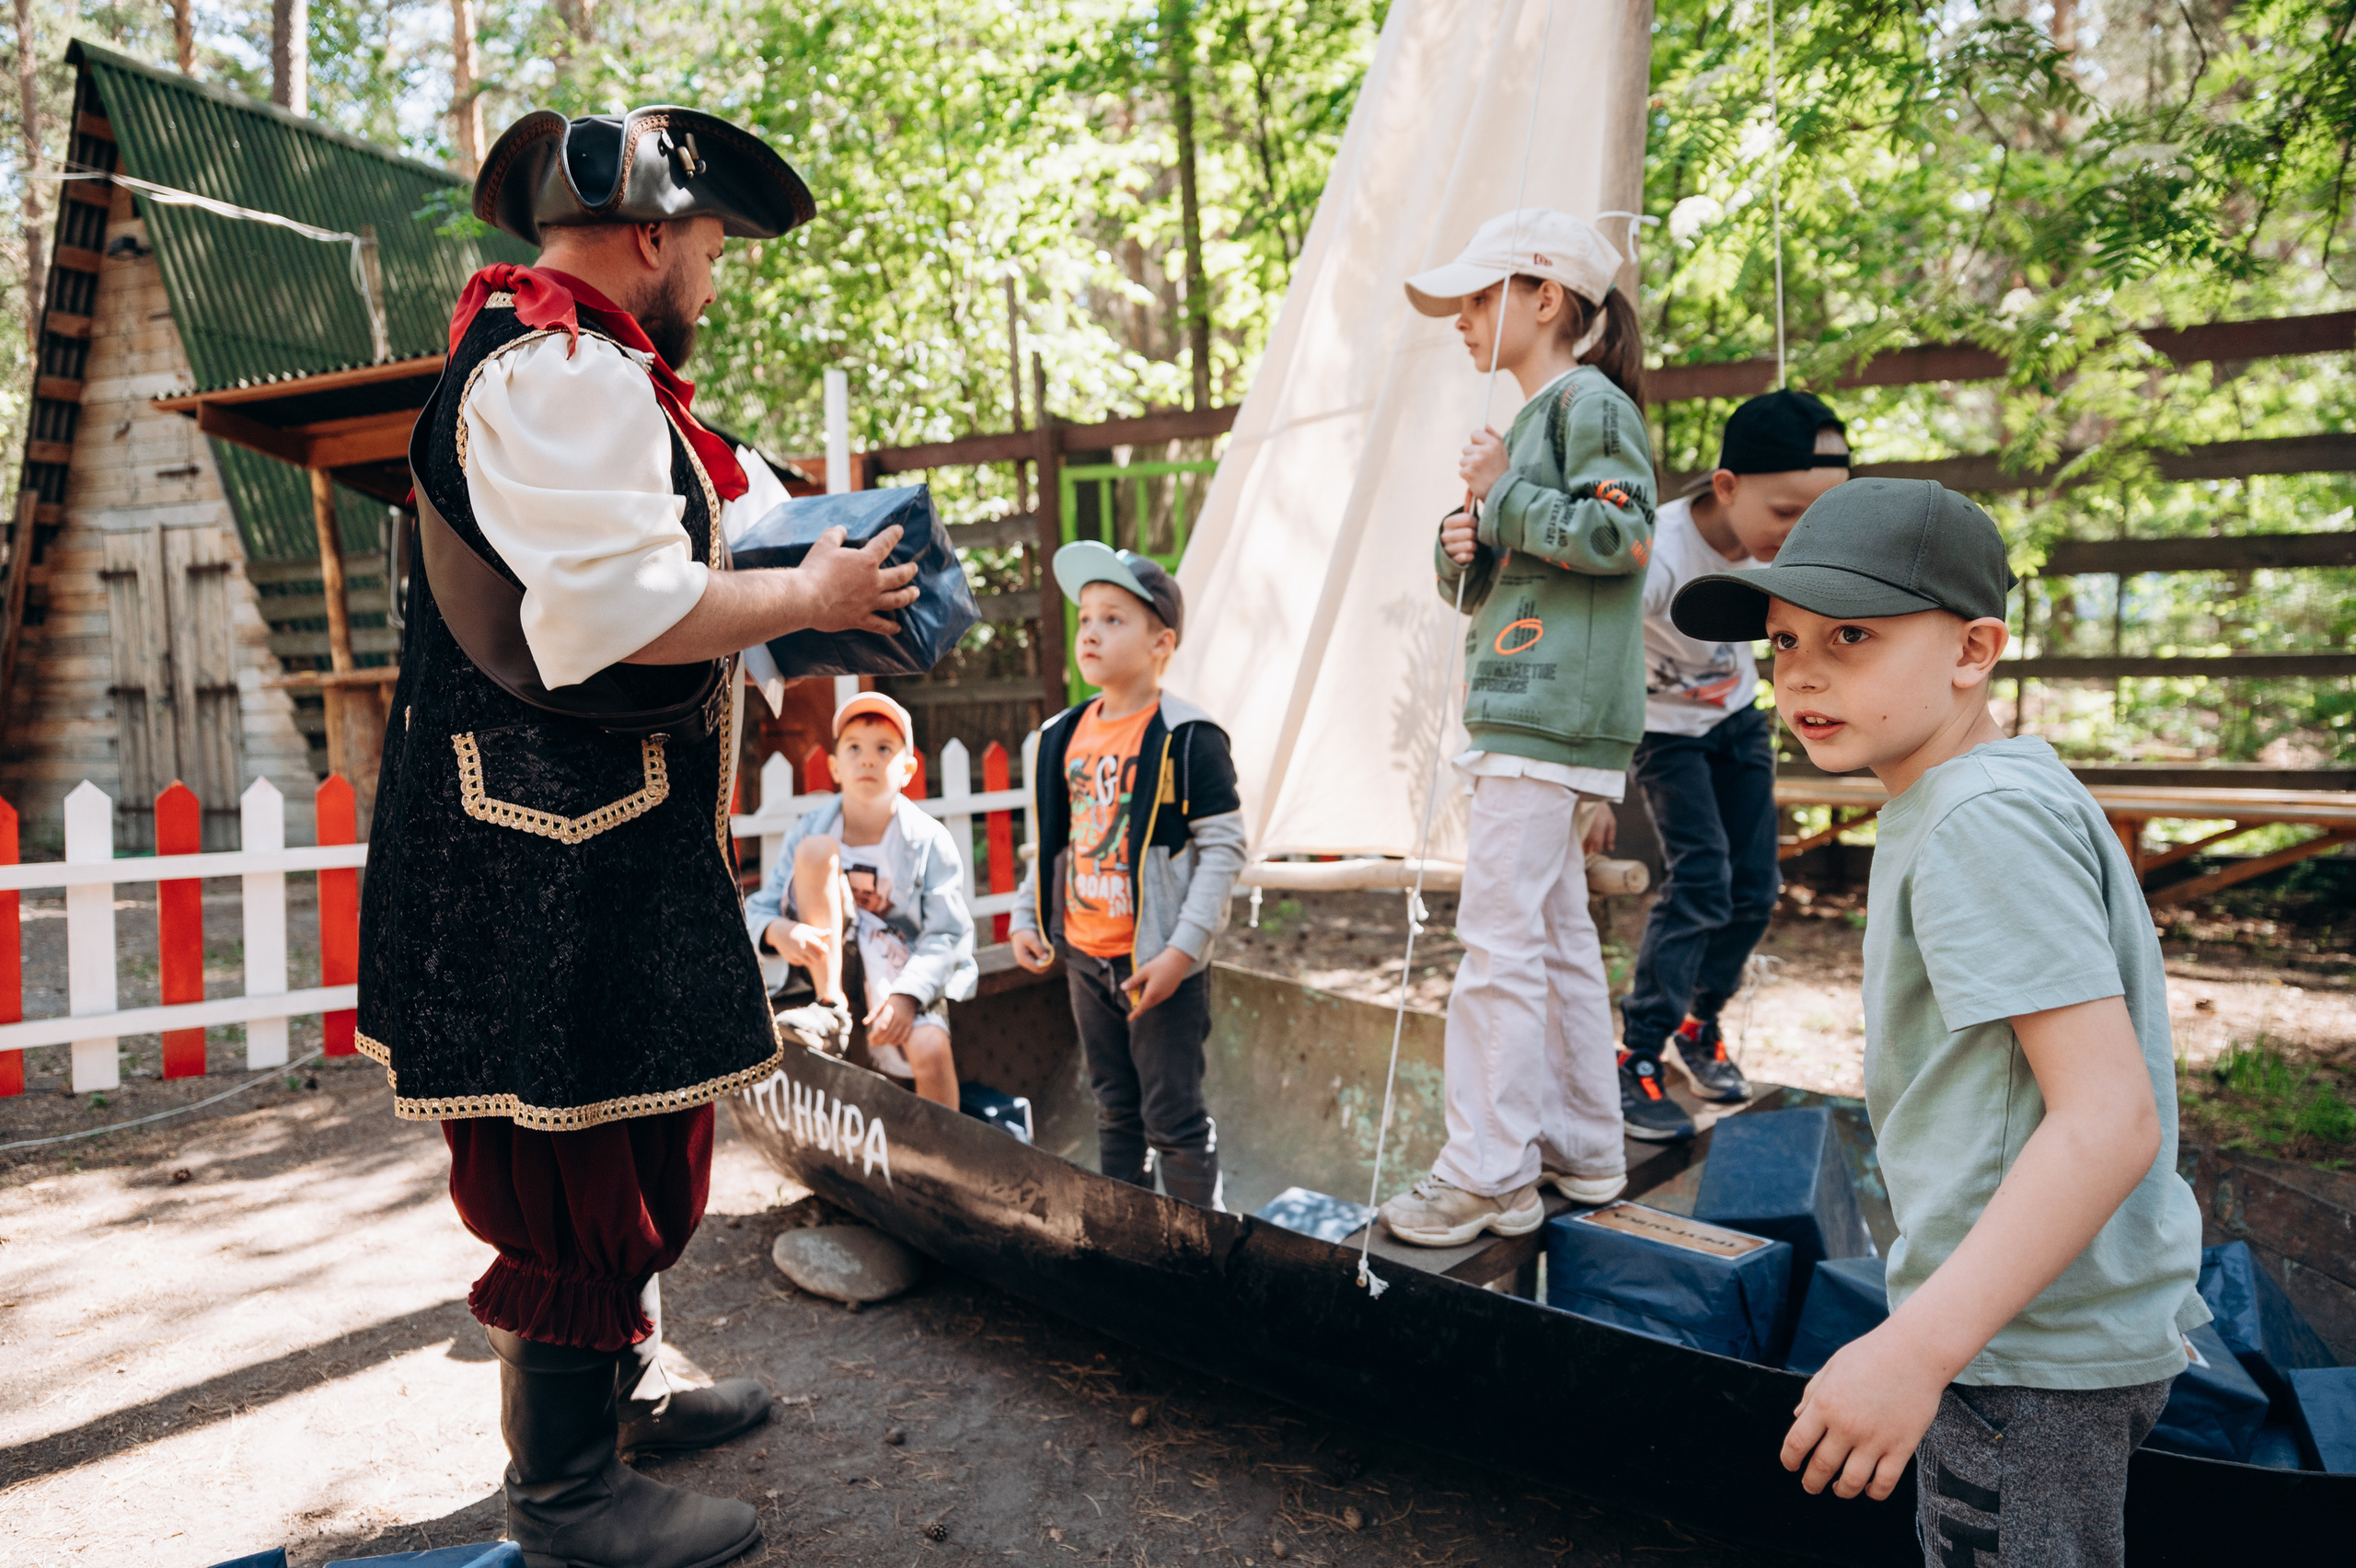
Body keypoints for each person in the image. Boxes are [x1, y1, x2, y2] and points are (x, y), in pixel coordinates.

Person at [358, 107, 921, 1568]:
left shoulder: (580, 365)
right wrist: (810, 601)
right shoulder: (560, 369)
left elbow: (662, 571)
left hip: (587, 825)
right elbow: (624, 612)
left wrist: (807, 575)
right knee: (580, 1146)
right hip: (535, 837)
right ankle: (563, 1499)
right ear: (654, 237)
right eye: (715, 245)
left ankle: (616, 1396)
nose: (718, 276)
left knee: (637, 1109)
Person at [1671, 479, 2205, 1566]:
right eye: (1782, 643)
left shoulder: (1978, 820)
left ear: (1973, 651)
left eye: (1851, 635)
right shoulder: (1987, 792)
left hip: (2021, 1354)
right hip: (2027, 1329)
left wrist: (1914, 1349)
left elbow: (2108, 1119)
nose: (1803, 671)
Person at [1377, 208, 1656, 1248]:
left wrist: (1500, 500)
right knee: (1553, 935)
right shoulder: (1535, 419)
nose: (1460, 318)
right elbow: (1487, 578)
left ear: (1546, 299)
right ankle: (1585, 1146)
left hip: (1547, 715)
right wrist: (1466, 538)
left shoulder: (1588, 404)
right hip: (1525, 704)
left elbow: (1622, 535)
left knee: (1495, 943)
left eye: (1478, 296)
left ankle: (1487, 1173)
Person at [1610, 390, 1853, 1141]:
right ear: (1725, 487)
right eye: (1785, 514)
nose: (1800, 534)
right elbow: (1606, 647)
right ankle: (1635, 1053)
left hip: (1737, 720)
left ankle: (1697, 1022)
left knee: (1756, 889)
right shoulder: (1659, 551)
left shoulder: (1785, 552)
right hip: (1665, 733)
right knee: (1702, 883)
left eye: (1818, 517)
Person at [1008, 543, 1246, 1209]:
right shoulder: (1059, 736)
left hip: (1161, 966)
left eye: (1114, 618)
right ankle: (1130, 1239)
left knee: (1173, 1120)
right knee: (1115, 1110)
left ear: (1160, 642)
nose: (1090, 631)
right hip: (1087, 957)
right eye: (1086, 617)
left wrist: (1181, 953)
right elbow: (1050, 843)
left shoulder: (1189, 737)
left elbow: (1224, 849)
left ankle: (1205, 1255)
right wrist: (1029, 916)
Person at [745, 691, 978, 1106]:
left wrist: (908, 996)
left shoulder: (928, 840)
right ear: (835, 767)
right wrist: (779, 930)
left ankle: (941, 1161)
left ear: (907, 769)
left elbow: (947, 933)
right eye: (854, 748)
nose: (867, 759)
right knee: (817, 852)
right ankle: (830, 1009)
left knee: (929, 1048)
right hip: (830, 965)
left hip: (900, 968)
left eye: (884, 749)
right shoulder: (810, 829)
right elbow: (760, 908)